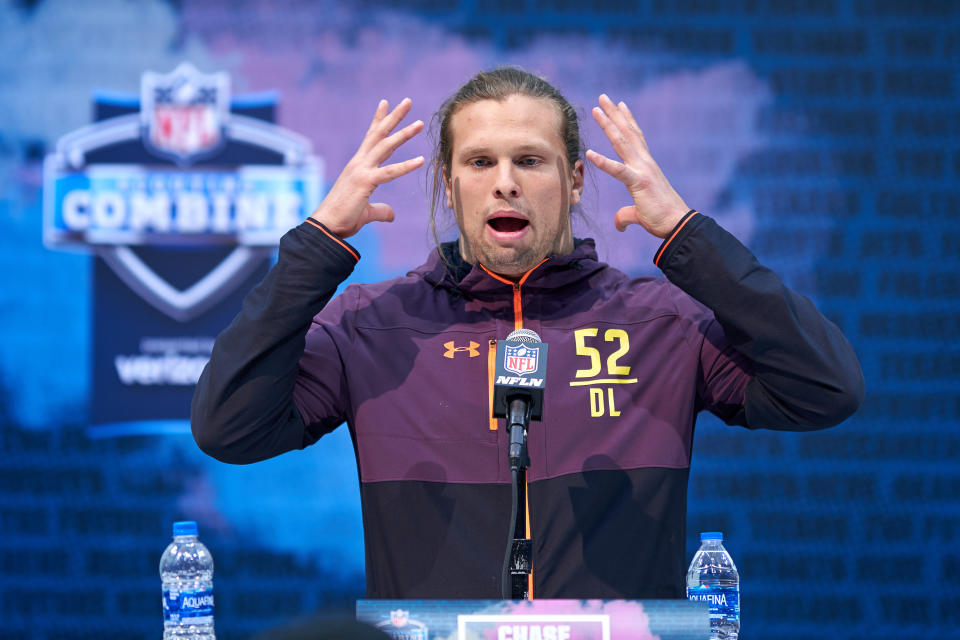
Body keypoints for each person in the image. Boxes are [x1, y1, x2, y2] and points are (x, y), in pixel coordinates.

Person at [191, 68, 864, 600]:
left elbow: (824, 390)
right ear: (449, 188)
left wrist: (688, 236)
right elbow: (230, 426)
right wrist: (319, 244)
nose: (505, 183)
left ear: (574, 180)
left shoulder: (664, 323)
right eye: (479, 162)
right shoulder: (370, 324)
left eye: (531, 161)